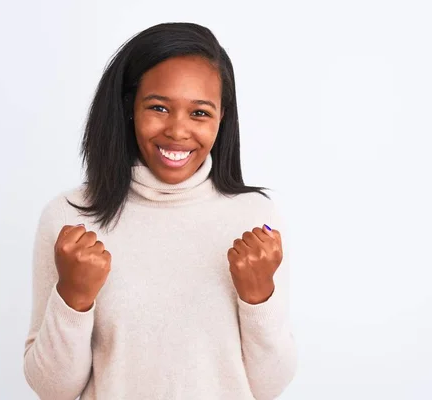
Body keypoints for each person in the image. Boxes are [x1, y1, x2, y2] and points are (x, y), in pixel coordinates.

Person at [22, 22, 297, 400]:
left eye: (199, 113)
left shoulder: (254, 218)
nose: (178, 131)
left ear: (222, 118)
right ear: (128, 108)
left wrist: (259, 297)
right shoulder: (70, 218)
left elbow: (270, 387)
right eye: (158, 107)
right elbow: (52, 390)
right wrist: (73, 296)